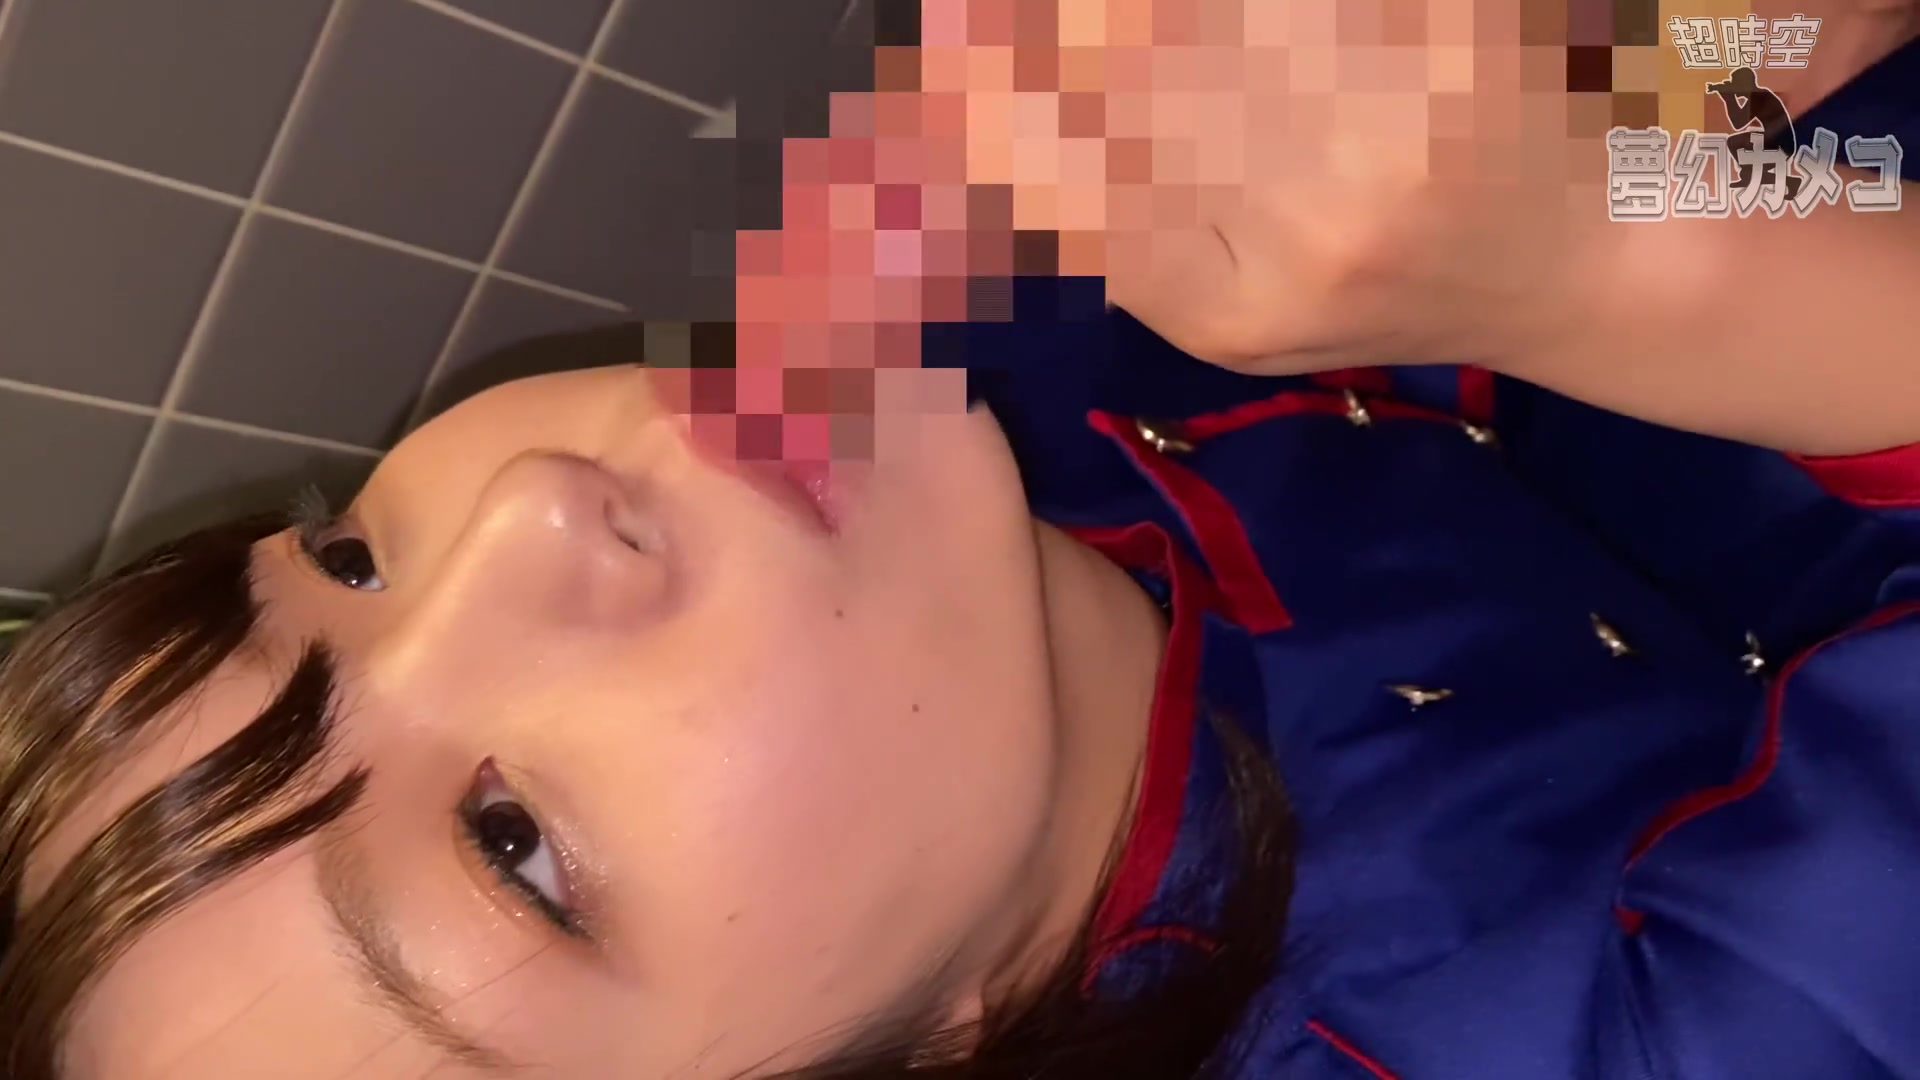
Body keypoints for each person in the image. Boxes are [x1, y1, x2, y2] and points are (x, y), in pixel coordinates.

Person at [5, 3, 1920, 1079]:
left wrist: (1703, 74)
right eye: (512, 847)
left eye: (345, 571)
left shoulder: (932, 429)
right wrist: (1639, 260)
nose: (524, 513)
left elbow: (1609, 107)